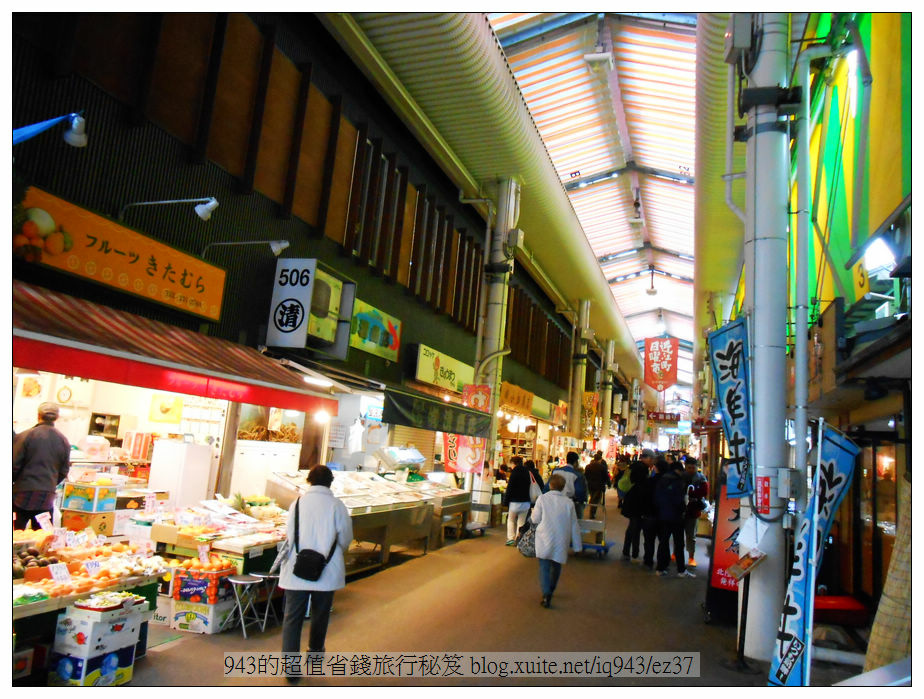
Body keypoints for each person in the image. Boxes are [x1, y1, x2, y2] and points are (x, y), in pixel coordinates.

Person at [278, 465, 353, 677]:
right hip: (327, 570)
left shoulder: (297, 504)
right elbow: (346, 537)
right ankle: (315, 655)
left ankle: (290, 668)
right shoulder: (337, 506)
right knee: (321, 615)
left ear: (309, 481)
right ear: (331, 482)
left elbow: (290, 535)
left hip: (298, 568)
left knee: (293, 617)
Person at [13, 402, 71, 529]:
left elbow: (14, 465)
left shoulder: (25, 436)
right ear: (57, 418)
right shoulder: (63, 440)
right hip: (47, 496)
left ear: (38, 415)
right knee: (42, 537)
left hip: (21, 493)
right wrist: (49, 483)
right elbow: (64, 470)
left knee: (16, 534)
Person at [531, 473, 582, 608]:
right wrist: (577, 546)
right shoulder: (568, 503)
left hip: (544, 537)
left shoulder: (542, 499)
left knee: (544, 567)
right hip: (561, 538)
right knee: (556, 565)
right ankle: (551, 589)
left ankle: (546, 593)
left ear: (550, 485)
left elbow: (535, 519)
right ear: (563, 487)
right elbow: (574, 525)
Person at [653, 459, 694, 577]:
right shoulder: (678, 481)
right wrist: (682, 509)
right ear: (678, 470)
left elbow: (657, 498)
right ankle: (681, 570)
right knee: (679, 543)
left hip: (663, 515)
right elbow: (679, 500)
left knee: (663, 542)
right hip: (676, 516)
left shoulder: (662, 479)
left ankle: (660, 569)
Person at [619, 460, 651, 562]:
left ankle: (627, 551)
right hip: (639, 508)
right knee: (636, 529)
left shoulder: (631, 479)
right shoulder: (644, 483)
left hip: (630, 506)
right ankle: (634, 553)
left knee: (631, 528)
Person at [682, 457, 708, 568]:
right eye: (689, 467)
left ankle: (691, 557)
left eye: (693, 467)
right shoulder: (681, 476)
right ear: (685, 466)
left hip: (693, 510)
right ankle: (676, 553)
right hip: (681, 509)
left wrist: (690, 494)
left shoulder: (701, 478)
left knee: (691, 535)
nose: (691, 470)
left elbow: (704, 491)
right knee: (678, 534)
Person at [502, 456, 531, 546]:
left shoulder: (514, 473)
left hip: (515, 502)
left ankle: (511, 539)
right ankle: (519, 539)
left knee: (511, 520)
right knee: (521, 522)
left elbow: (510, 488)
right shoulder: (527, 472)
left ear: (514, 463)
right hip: (526, 502)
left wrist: (505, 502)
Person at [553, 451, 587, 519]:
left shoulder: (555, 471)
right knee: (575, 522)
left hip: (554, 502)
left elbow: (548, 487)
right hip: (570, 503)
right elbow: (580, 492)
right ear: (575, 462)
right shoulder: (577, 475)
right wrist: (582, 501)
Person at [583, 450, 611, 518]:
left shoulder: (588, 466)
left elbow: (585, 475)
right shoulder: (602, 467)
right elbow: (606, 476)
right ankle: (592, 513)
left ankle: (591, 510)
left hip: (590, 485)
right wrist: (609, 483)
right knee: (596, 499)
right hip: (599, 485)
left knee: (592, 497)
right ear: (599, 459)